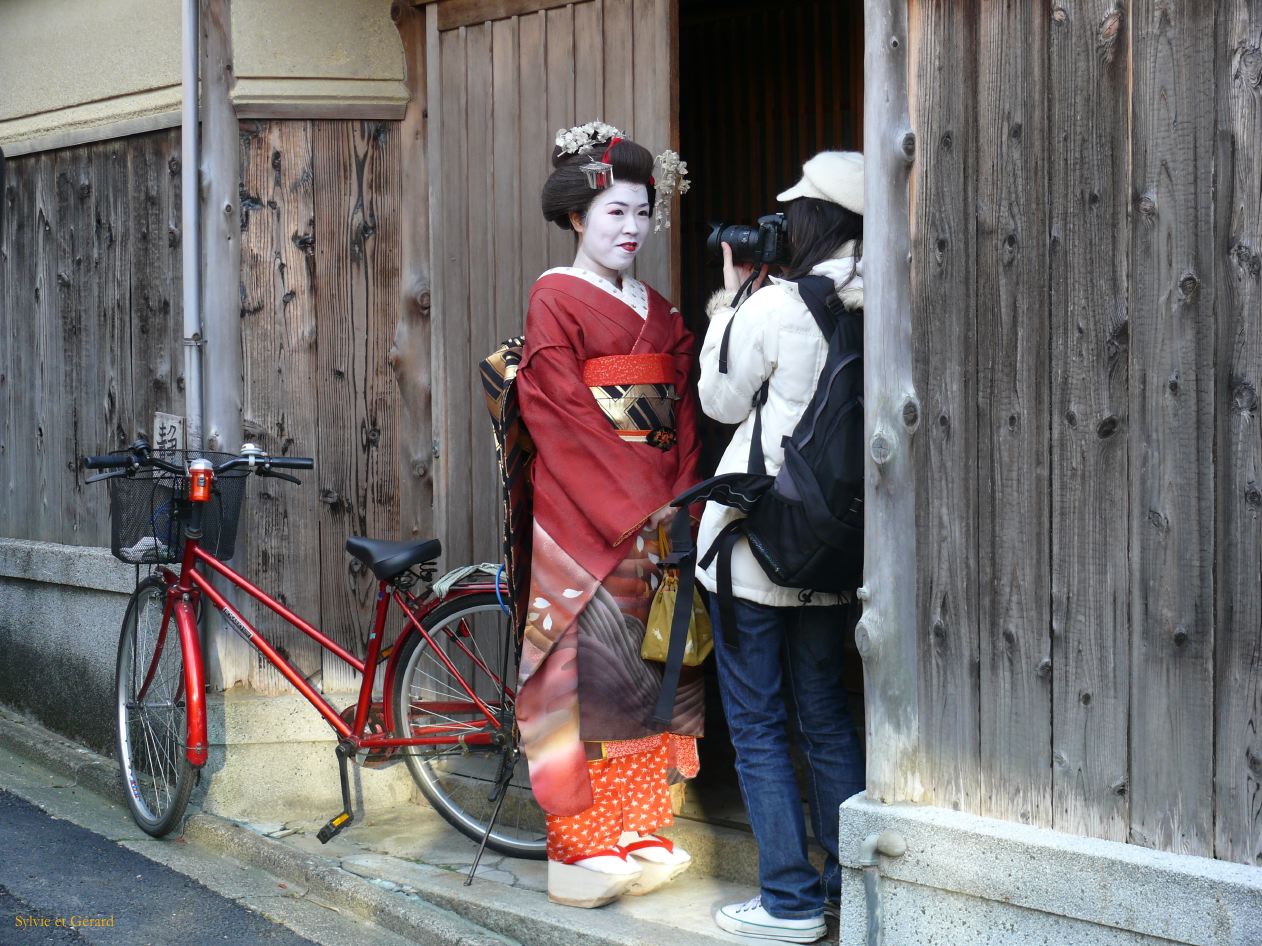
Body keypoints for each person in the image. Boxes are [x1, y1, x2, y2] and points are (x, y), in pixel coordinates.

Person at [513, 124, 703, 909]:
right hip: (587, 516)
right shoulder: (554, 298)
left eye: (642, 212)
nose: (631, 228)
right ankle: (579, 846)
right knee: (587, 677)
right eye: (614, 212)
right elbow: (557, 410)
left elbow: (684, 413)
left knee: (653, 675)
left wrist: (683, 502)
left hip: (658, 517)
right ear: (576, 217)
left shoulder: (659, 309)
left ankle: (638, 827)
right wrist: (640, 504)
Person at [697, 150, 867, 944]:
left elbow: (720, 401)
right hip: (835, 547)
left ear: (813, 218)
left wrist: (729, 304)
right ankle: (848, 890)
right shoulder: (887, 302)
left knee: (759, 724)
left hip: (756, 544)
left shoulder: (779, 304)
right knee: (826, 717)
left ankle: (789, 904)